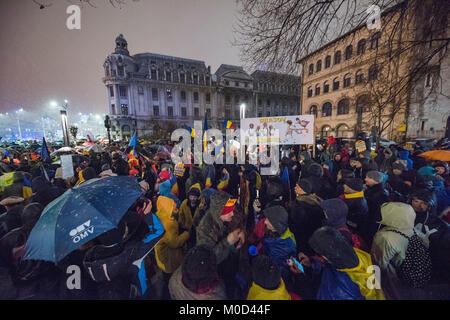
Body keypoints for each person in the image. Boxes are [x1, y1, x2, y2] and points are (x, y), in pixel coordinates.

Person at [294, 226, 385, 300]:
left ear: (326, 256)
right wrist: (311, 265)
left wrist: (300, 276)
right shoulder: (360, 255)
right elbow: (329, 268)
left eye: (319, 254)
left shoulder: (336, 291)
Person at [371, 202, 434, 299]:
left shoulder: (384, 237)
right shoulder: (416, 231)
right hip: (413, 280)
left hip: (394, 281)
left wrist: (372, 286)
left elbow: (378, 264)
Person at [409, 188, 450, 286]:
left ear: (430, 205)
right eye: (416, 201)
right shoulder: (405, 214)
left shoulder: (438, 224)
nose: (419, 205)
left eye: (424, 203)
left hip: (432, 264)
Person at [154, 196, 189, 300]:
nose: (174, 205)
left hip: (163, 257)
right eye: (171, 204)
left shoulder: (159, 217)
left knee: (167, 279)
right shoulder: (167, 223)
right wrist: (186, 234)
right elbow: (174, 243)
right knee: (170, 282)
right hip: (170, 260)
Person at [289, 179, 324, 255]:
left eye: (297, 187)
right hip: (313, 236)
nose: (295, 188)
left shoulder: (298, 205)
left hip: (302, 237)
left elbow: (295, 223)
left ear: (302, 190)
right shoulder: (315, 200)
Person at [365, 170, 390, 246]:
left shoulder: (381, 195)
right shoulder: (371, 190)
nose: (365, 179)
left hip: (371, 225)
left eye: (368, 177)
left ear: (375, 181)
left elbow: (377, 215)